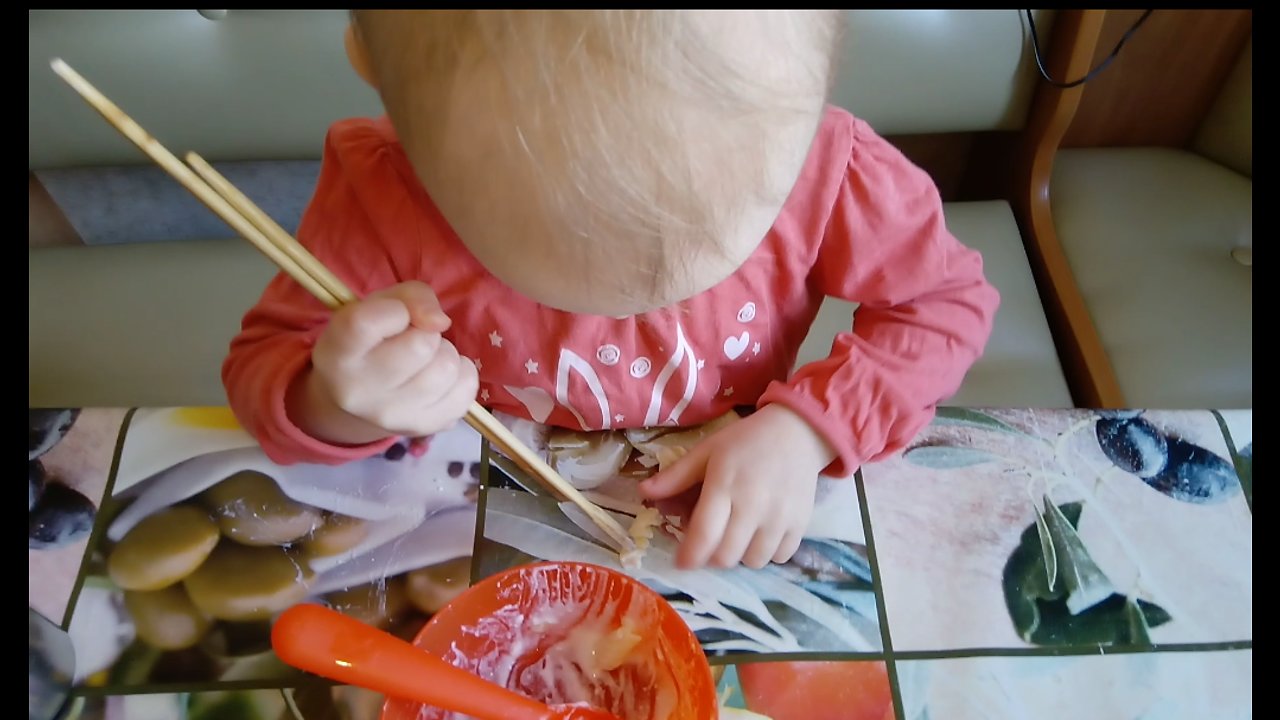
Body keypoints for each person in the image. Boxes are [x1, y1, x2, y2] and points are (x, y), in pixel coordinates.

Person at [223, 10, 1000, 571]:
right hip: (493, 501)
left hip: (737, 475)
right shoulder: (379, 195)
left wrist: (811, 430)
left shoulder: (829, 169)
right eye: (559, 263)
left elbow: (944, 305)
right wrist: (340, 400)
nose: (627, 309)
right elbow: (266, 377)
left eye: (708, 247)